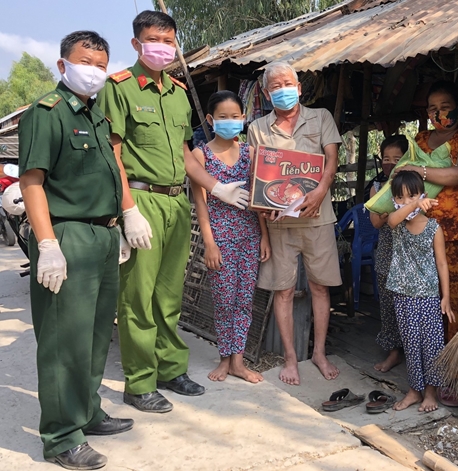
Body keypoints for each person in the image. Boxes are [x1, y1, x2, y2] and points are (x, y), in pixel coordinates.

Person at [97, 10, 249, 413]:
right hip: (142, 200)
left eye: (168, 41)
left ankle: (169, 368)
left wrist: (217, 186)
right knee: (137, 296)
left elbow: (185, 155)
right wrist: (128, 209)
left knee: (168, 295)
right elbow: (112, 152)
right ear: (136, 43)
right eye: (154, 40)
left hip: (176, 202)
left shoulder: (180, 92)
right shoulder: (120, 88)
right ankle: (140, 382)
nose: (162, 48)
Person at [18, 31, 133, 470]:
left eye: (102, 64)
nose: (95, 70)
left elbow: (109, 174)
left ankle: (87, 411)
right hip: (67, 235)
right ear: (63, 64)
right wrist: (47, 244)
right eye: (86, 61)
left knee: (96, 332)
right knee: (65, 339)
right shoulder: (47, 113)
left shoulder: (97, 116)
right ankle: (63, 435)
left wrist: (121, 222)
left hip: (103, 237)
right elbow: (32, 182)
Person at [247, 61, 342, 385]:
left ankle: (319, 353)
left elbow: (332, 159)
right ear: (266, 92)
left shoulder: (322, 118)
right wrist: (265, 208)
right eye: (275, 86)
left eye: (287, 83)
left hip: (317, 218)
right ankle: (290, 359)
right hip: (279, 225)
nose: (282, 90)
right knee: (283, 291)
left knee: (319, 287)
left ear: (299, 88)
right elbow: (257, 177)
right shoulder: (258, 128)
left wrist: (321, 191)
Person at [191, 91, 270, 384]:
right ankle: (225, 357)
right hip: (221, 237)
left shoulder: (251, 153)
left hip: (249, 235)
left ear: (243, 118)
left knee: (244, 300)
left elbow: (259, 199)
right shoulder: (201, 155)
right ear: (211, 120)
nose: (230, 122)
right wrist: (209, 243)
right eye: (222, 117)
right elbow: (200, 203)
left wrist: (264, 236)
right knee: (224, 300)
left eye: (235, 116)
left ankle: (238, 361)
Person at [396, 81, 458, 343]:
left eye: (445, 107)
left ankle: (452, 361)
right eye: (433, 108)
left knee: (454, 296)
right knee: (423, 298)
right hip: (419, 232)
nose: (439, 113)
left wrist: (421, 171)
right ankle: (427, 357)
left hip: (455, 231)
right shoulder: (419, 140)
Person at [385, 171, 454, 413]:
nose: (406, 202)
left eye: (413, 196)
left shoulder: (434, 228)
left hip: (428, 297)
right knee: (411, 345)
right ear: (394, 200)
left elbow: (442, 264)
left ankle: (430, 393)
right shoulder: (397, 225)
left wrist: (446, 297)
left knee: (432, 345)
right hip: (403, 296)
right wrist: (413, 203)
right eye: (400, 198)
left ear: (424, 196)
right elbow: (392, 219)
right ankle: (414, 390)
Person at [370, 135, 407, 373]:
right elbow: (375, 221)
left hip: (410, 255)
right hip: (386, 253)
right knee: (388, 303)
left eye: (397, 158)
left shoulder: (415, 186)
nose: (390, 163)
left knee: (409, 304)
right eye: (385, 158)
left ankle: (413, 350)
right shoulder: (377, 186)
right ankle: (394, 352)